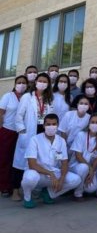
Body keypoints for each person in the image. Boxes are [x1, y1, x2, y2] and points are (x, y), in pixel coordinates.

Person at [20, 114, 81, 208]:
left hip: (54, 173)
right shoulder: (35, 139)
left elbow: (64, 163)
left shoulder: (61, 141)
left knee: (76, 180)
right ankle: (27, 198)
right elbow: (32, 164)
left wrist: (62, 178)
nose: (51, 127)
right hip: (38, 173)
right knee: (30, 178)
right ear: (44, 125)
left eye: (54, 124)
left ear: (57, 125)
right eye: (48, 124)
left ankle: (48, 193)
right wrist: (50, 174)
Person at [13, 73, 54, 201]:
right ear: (36, 82)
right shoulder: (27, 97)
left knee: (41, 161)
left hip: (43, 132)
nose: (42, 83)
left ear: (48, 84)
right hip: (28, 132)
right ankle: (15, 190)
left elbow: (51, 116)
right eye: (40, 80)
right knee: (20, 162)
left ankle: (39, 190)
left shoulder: (49, 99)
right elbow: (19, 116)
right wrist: (22, 131)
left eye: (45, 81)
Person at [0, 75, 28, 197]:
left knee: (16, 160)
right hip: (7, 131)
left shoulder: (27, 97)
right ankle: (4, 186)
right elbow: (0, 113)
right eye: (19, 82)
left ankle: (14, 185)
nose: (21, 85)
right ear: (15, 84)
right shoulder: (8, 96)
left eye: (23, 83)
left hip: (21, 132)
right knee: (4, 159)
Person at [69, 113, 97, 200]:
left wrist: (92, 171)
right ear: (88, 124)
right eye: (92, 122)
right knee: (83, 168)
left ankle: (76, 185)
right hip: (76, 166)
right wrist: (90, 169)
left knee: (92, 188)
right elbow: (78, 155)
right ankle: (78, 193)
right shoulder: (81, 135)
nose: (95, 124)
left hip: (89, 168)